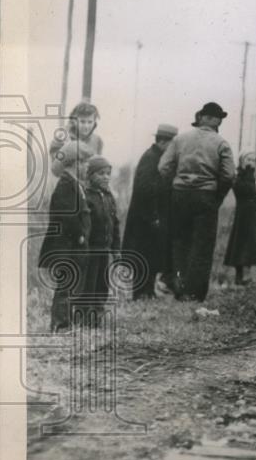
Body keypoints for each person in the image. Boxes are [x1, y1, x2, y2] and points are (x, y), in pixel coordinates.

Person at [159, 101, 236, 302]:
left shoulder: (179, 139)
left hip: (180, 196)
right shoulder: (221, 143)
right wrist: (217, 196)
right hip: (206, 197)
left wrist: (176, 185)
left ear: (200, 117)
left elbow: (163, 167)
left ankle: (179, 289)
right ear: (218, 120)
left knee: (180, 242)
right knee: (202, 245)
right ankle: (194, 293)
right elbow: (228, 176)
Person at [40, 141, 94, 331]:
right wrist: (79, 233)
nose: (87, 167)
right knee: (66, 285)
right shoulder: (66, 185)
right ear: (75, 163)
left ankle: (66, 322)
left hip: (73, 246)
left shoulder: (74, 185)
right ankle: (60, 324)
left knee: (72, 284)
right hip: (66, 246)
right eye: (85, 162)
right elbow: (66, 214)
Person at [122, 123, 178, 299]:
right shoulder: (150, 158)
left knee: (152, 254)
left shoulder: (157, 157)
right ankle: (139, 293)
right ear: (162, 142)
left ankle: (148, 291)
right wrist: (153, 216)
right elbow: (145, 191)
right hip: (144, 218)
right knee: (143, 256)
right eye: (172, 144)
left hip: (150, 217)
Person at [82, 156, 121, 324]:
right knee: (88, 284)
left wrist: (116, 249)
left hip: (104, 249)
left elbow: (115, 224)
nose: (106, 177)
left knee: (102, 284)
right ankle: (86, 316)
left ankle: (98, 313)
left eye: (108, 173)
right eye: (101, 174)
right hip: (90, 250)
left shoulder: (108, 196)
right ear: (90, 176)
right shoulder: (86, 196)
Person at [223, 151, 256, 286]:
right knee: (241, 243)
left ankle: (245, 276)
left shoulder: (253, 178)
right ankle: (240, 276)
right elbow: (242, 191)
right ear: (242, 160)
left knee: (251, 244)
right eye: (248, 159)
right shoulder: (239, 176)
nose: (251, 162)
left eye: (254, 160)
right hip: (243, 213)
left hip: (252, 213)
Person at [50, 100, 104, 177]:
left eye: (90, 122)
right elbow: (55, 167)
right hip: (64, 182)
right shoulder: (62, 138)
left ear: (94, 122)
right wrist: (69, 149)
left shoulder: (97, 141)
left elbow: (99, 167)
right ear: (74, 121)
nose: (86, 126)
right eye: (82, 122)